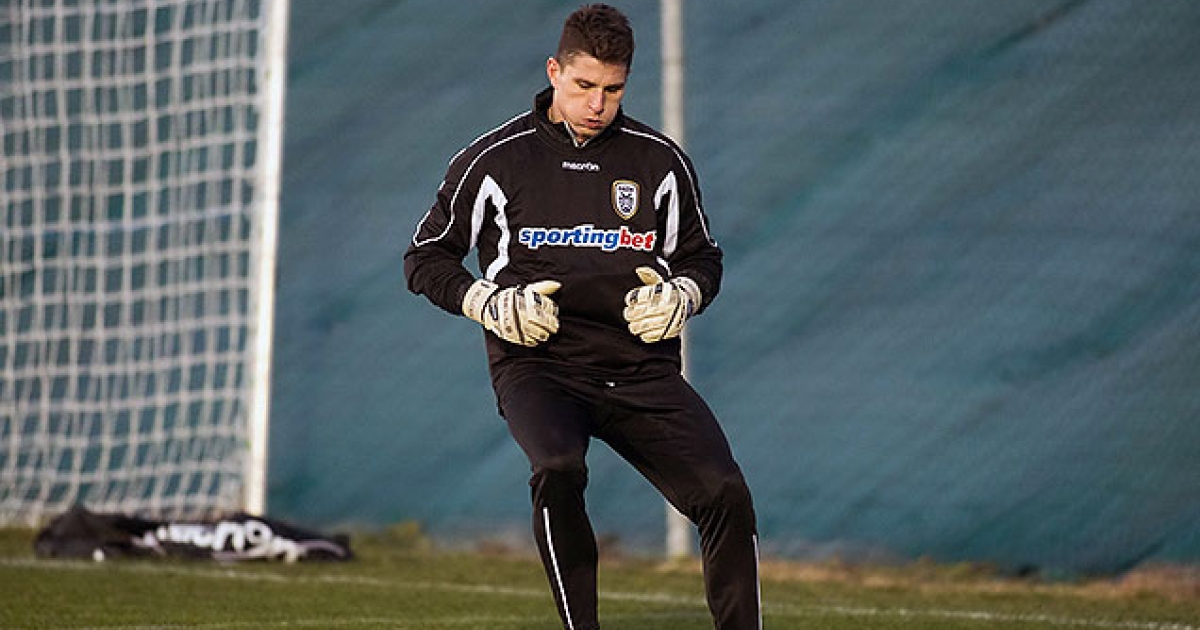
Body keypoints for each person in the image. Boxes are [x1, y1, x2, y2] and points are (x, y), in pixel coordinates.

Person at [403, 5, 761, 629]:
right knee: (558, 467)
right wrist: (486, 302)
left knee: (725, 493)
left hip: (640, 367)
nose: (597, 104)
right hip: (539, 365)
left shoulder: (659, 161)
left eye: (613, 90)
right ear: (554, 72)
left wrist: (683, 295)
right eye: (584, 85)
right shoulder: (495, 159)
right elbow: (425, 257)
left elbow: (703, 258)